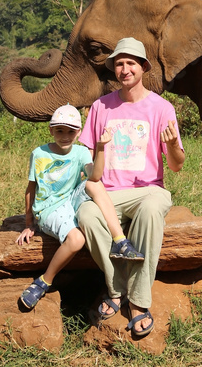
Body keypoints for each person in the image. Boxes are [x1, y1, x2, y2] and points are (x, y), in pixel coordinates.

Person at [78, 37, 185, 339]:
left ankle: (138, 301)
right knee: (86, 215)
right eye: (119, 64)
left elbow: (176, 165)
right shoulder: (100, 107)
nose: (124, 69)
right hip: (108, 193)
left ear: (143, 68)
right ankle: (117, 288)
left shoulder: (161, 108)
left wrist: (172, 145)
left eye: (131, 63)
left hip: (148, 190)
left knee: (151, 209)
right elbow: (86, 155)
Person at [16, 103, 144, 310]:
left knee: (94, 184)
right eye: (59, 130)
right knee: (77, 239)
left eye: (70, 131)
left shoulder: (81, 152)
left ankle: (120, 240)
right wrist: (29, 223)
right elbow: (31, 189)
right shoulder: (39, 154)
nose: (65, 136)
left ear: (78, 132)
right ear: (51, 130)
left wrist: (100, 148)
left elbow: (95, 176)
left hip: (71, 199)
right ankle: (44, 281)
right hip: (49, 208)